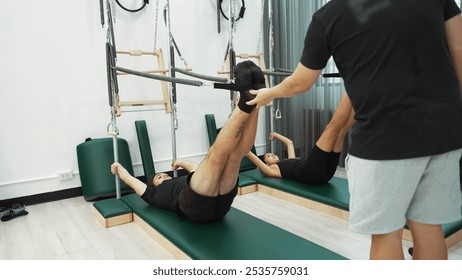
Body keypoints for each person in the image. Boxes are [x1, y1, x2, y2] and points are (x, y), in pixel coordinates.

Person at [247, 1, 462, 260]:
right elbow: (459, 55)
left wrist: (267, 94)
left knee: (386, 234)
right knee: (429, 228)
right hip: (444, 134)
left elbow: (300, 83)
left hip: (384, 140)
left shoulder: (328, 17)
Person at [111, 60, 265, 223]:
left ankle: (255, 103)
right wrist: (119, 169)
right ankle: (246, 101)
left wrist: (180, 162)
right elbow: (133, 182)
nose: (163, 174)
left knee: (235, 156)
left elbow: (196, 170)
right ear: (153, 185)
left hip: (220, 206)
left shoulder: (185, 180)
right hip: (195, 206)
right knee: (215, 155)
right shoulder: (153, 195)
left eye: (162, 174)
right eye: (158, 177)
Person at [246, 93, 355, 185]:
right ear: (267, 164)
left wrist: (275, 134)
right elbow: (256, 161)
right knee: (331, 129)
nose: (272, 154)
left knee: (341, 132)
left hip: (325, 176)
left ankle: (359, 95)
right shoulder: (272, 169)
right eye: (268, 156)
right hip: (309, 172)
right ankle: (352, 86)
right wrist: (245, 151)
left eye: (270, 153)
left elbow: (289, 143)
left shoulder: (289, 161)